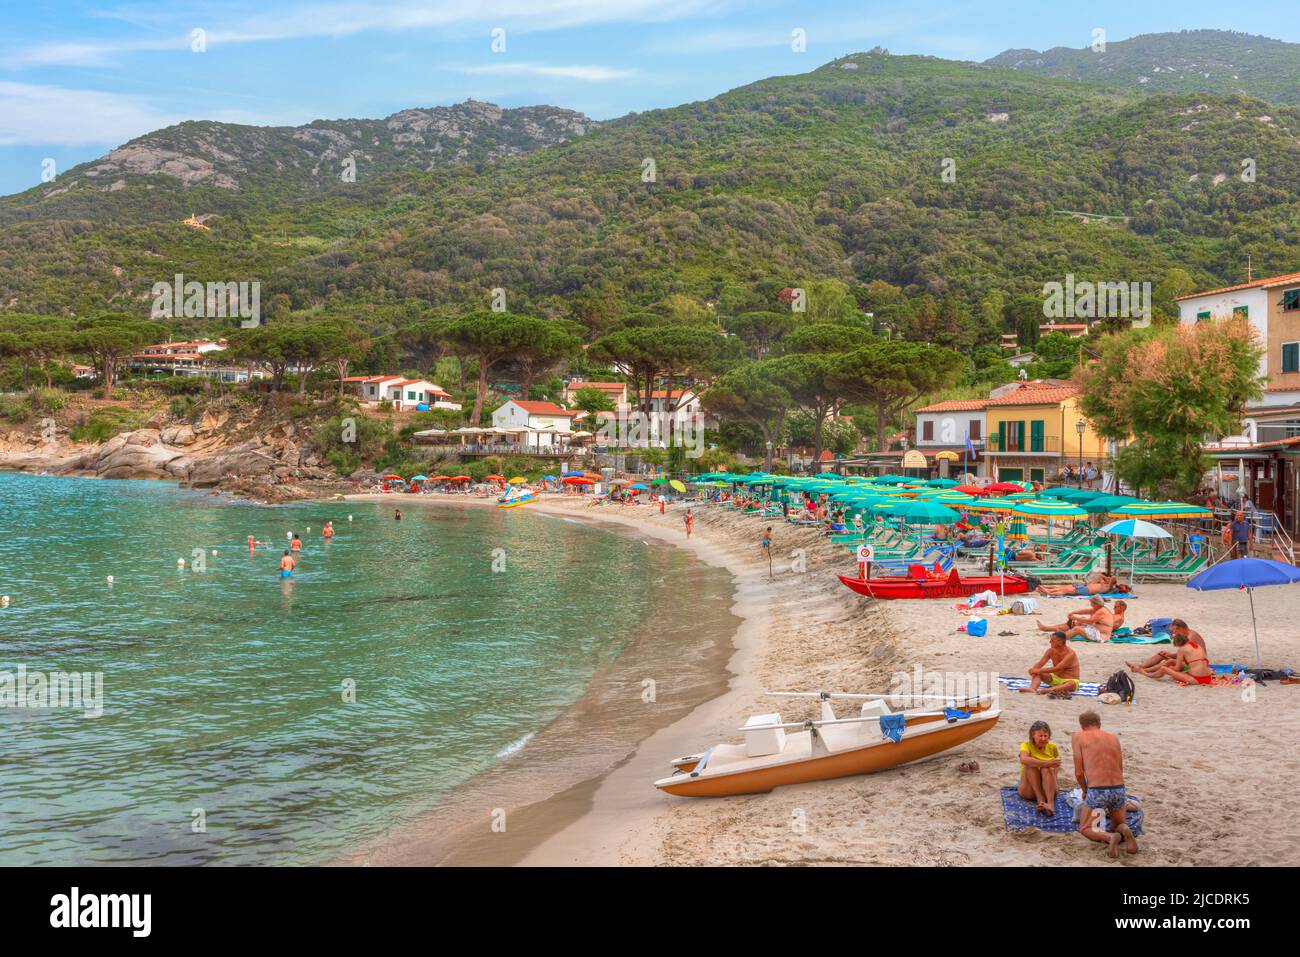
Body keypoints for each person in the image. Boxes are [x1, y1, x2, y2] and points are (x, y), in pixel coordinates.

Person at [1072, 711, 1137, 858]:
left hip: (1097, 790)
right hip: (1118, 789)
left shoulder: (1078, 736)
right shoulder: (1113, 738)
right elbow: (1120, 768)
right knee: (1117, 825)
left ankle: (1109, 837)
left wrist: (1085, 790)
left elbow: (1079, 773)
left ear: (1082, 726)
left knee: (1086, 827)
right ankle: (1124, 829)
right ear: (1099, 724)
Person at [1125, 619, 1208, 676]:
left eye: (1175, 631)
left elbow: (1187, 655)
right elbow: (1185, 653)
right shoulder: (1187, 635)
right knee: (1162, 654)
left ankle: (1143, 670)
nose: (1174, 634)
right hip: (1189, 660)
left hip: (1196, 664)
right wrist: (1169, 654)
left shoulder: (1191, 637)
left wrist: (1171, 656)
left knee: (1170, 661)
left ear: (1181, 628)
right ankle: (1141, 666)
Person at [1132, 631, 1213, 685]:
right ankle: (1143, 669)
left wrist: (1169, 669)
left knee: (1164, 669)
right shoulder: (1197, 646)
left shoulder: (1182, 649)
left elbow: (1177, 669)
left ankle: (1144, 672)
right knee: (1170, 664)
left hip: (1197, 679)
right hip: (1208, 677)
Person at [1017, 720, 1062, 815]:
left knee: (1046, 769)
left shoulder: (1052, 747)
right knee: (1030, 765)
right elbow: (1023, 759)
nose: (1043, 738)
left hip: (1049, 791)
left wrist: (1054, 782)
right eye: (1040, 736)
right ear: (1033, 735)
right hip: (1030, 790)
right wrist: (1047, 763)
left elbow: (1056, 770)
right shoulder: (1026, 745)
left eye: (1046, 736)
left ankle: (1050, 805)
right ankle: (1040, 799)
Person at [1036, 576, 1130, 597]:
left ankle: (1048, 592)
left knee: (1065, 591)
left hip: (1086, 590)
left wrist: (1109, 580)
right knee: (1063, 587)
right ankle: (1046, 589)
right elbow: (1100, 576)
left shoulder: (1108, 587)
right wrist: (1106, 579)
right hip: (1084, 586)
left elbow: (1114, 577)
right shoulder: (1105, 584)